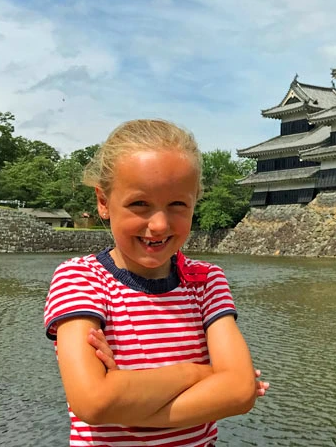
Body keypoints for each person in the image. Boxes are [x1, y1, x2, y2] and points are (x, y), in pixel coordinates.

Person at [44, 119, 268, 446]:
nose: (159, 225)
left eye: (177, 205)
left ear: (194, 202)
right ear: (103, 202)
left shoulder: (206, 282)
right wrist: (197, 374)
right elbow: (93, 401)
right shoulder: (81, 279)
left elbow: (239, 392)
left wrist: (126, 393)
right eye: (140, 204)